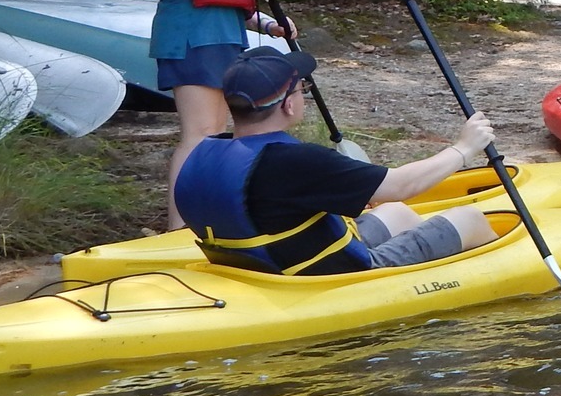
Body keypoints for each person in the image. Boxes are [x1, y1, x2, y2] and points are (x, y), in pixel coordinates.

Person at [174, 46, 499, 274]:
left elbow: (390, 200)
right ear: (288, 106)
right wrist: (464, 148)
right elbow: (402, 185)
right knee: (469, 218)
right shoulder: (296, 162)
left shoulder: (204, 152)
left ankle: (430, 267)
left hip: (261, 264)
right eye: (301, 89)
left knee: (396, 214)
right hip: (330, 273)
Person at [144, 0, 287, 227]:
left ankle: (204, 218)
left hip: (221, 36)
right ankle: (177, 229)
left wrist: (269, 25)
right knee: (200, 132)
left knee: (215, 133)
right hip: (191, 36)